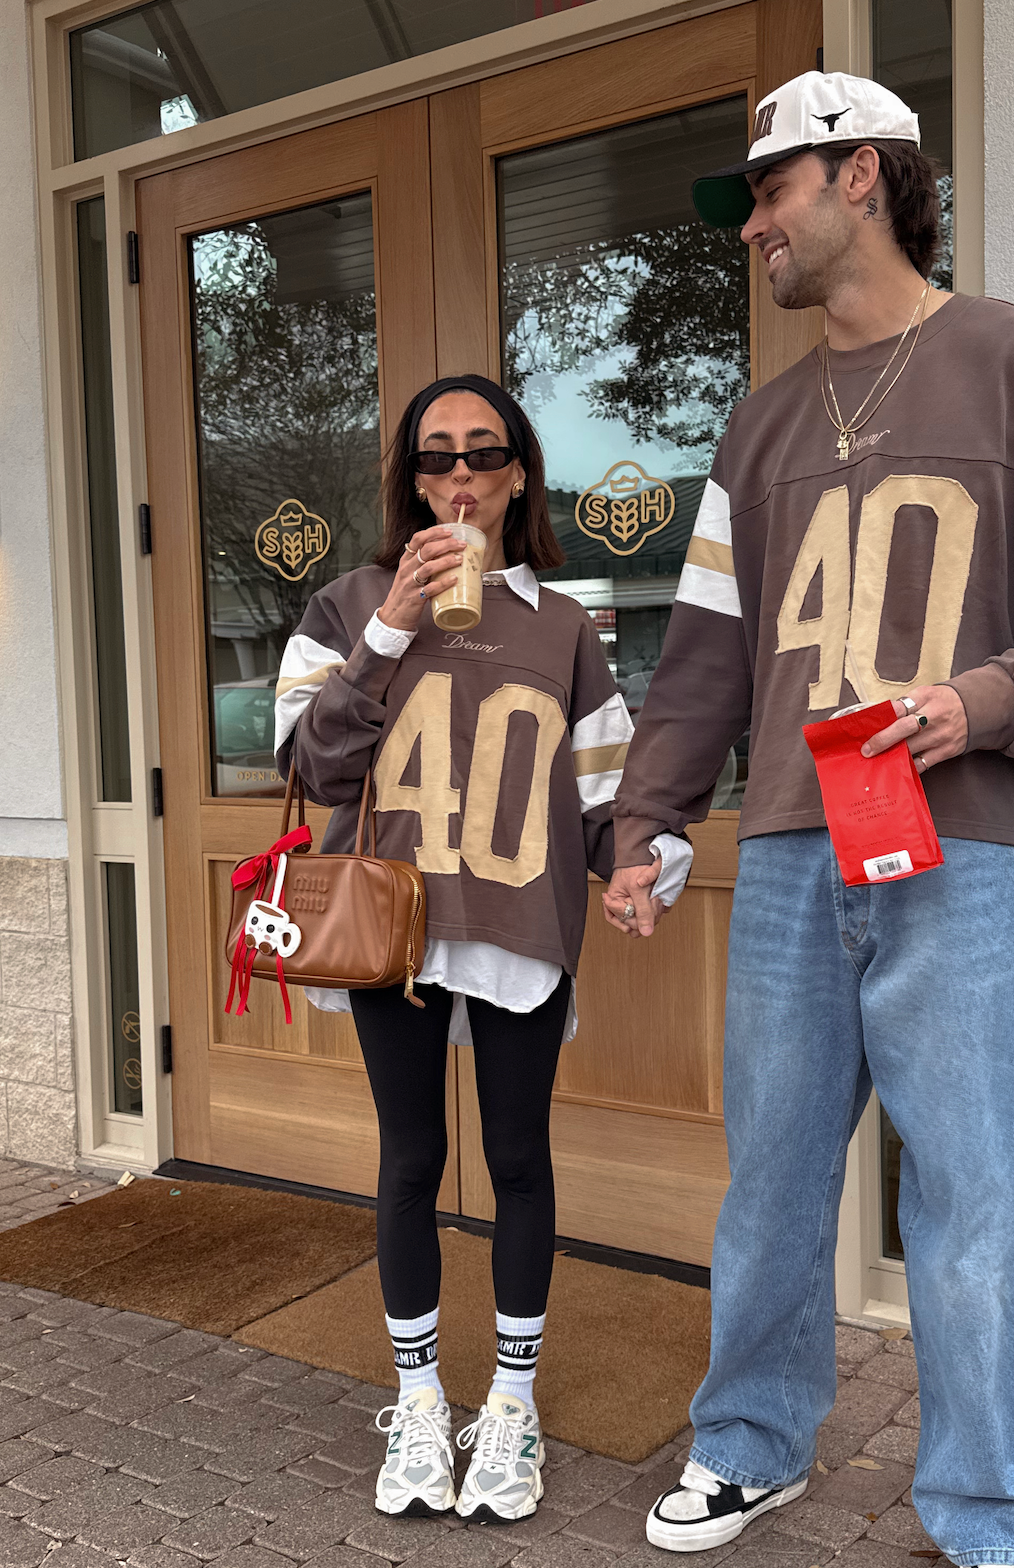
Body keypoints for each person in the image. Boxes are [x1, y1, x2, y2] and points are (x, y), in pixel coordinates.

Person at [604, 71, 1014, 1568]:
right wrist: (647, 822)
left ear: (860, 176)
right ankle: (748, 1447)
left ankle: (997, 1519)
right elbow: (707, 655)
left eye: (768, 193)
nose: (752, 230)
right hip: (792, 843)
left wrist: (971, 705)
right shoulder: (756, 424)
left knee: (970, 1190)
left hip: (958, 845)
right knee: (773, 1176)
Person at [273, 374, 689, 1524]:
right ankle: (417, 1396)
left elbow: (608, 796)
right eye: (437, 457)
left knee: (516, 1160)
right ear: (411, 479)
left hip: (514, 928)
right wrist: (391, 625)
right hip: (388, 930)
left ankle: (509, 1402)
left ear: (516, 476)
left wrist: (642, 863)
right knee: (410, 1159)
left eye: (483, 454)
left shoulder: (562, 627)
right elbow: (311, 768)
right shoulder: (345, 602)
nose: (459, 476)